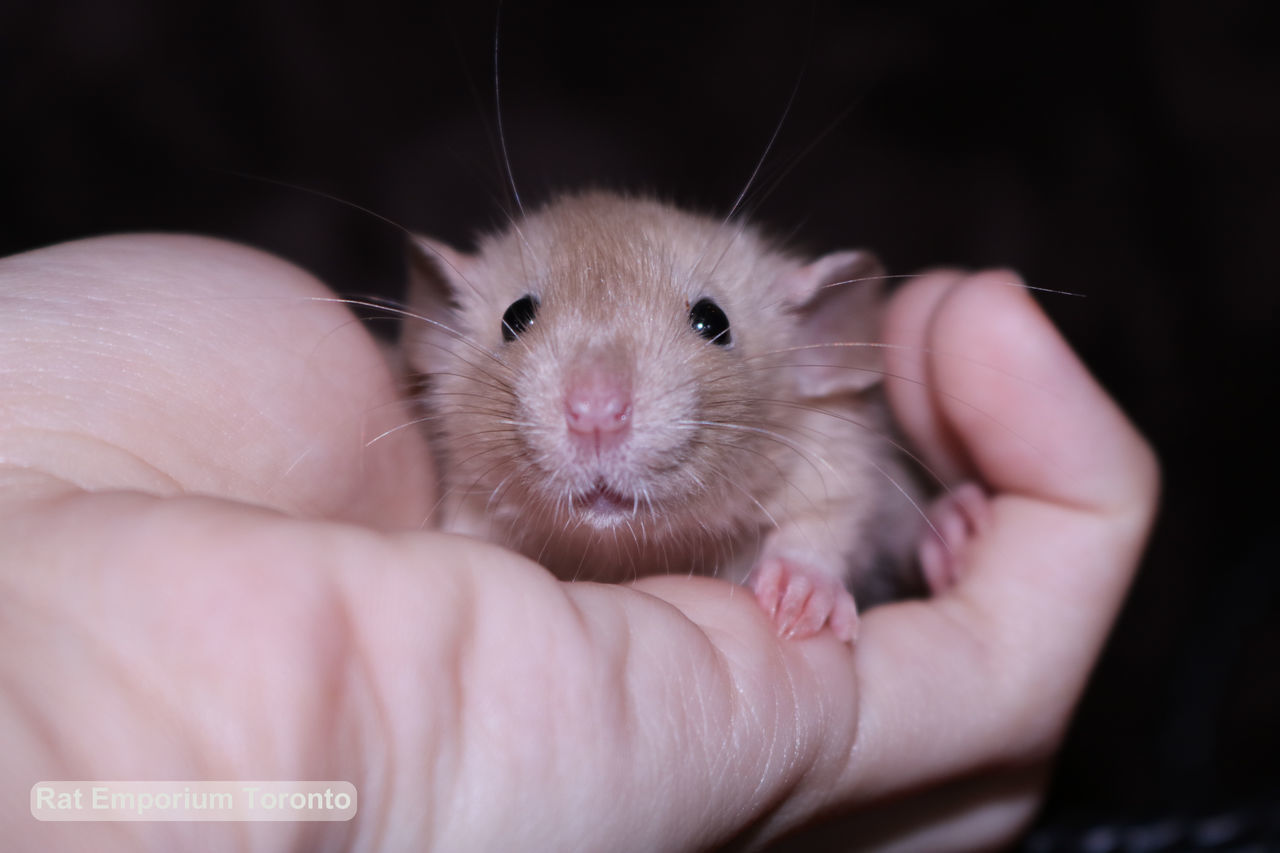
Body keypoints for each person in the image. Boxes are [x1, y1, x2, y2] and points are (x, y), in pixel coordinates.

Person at [0, 234, 1158, 851]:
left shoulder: (818, 421)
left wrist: (806, 556)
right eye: (520, 318)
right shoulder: (440, 477)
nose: (594, 403)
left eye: (706, 324)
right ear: (439, 326)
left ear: (822, 343)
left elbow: (838, 478)